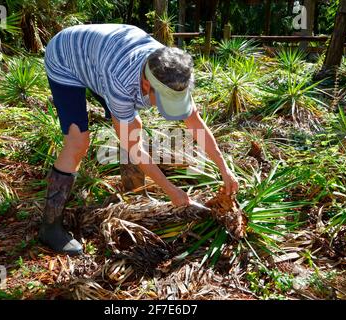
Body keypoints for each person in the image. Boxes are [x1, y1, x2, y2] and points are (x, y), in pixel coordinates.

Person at [41, 24, 239, 255]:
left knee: (132, 125)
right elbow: (133, 147)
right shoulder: (121, 83)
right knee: (78, 142)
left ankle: (133, 191)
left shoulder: (173, 70)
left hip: (102, 57)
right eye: (163, 100)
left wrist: (224, 169)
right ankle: (50, 227)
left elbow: (195, 123)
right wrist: (170, 190)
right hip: (67, 58)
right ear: (147, 85)